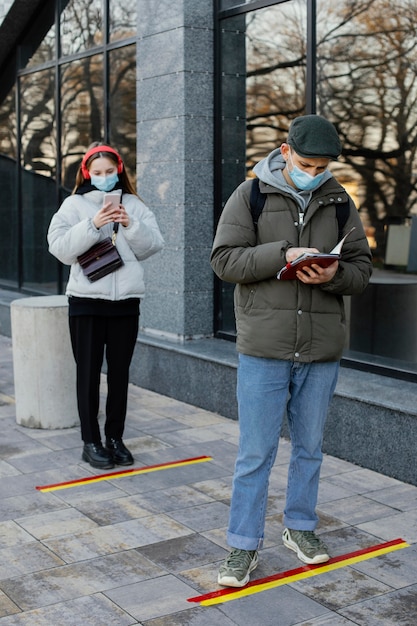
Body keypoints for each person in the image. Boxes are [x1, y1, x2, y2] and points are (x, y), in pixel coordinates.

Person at [210, 115, 372, 587]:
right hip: (264, 347)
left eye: (322, 166)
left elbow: (360, 269)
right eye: (307, 163)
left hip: (320, 349)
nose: (315, 171)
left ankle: (300, 529)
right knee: (255, 452)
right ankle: (242, 546)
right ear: (285, 152)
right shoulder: (251, 195)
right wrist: (281, 254)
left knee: (310, 449)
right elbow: (223, 260)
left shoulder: (340, 202)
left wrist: (333, 276)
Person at [48, 143, 164, 470]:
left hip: (125, 303)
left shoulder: (134, 205)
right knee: (87, 374)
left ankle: (115, 437)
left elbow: (155, 244)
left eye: (109, 172)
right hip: (86, 302)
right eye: (97, 173)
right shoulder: (73, 205)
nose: (103, 178)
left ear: (120, 169)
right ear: (87, 173)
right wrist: (93, 224)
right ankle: (91, 441)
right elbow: (58, 248)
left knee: (119, 374)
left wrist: (130, 224)